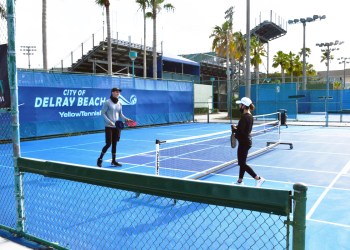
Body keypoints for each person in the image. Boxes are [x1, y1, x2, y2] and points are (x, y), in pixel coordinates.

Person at [232, 97, 265, 187]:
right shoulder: (250, 116)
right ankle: (240, 181)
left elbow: (241, 132)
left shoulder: (244, 117)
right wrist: (236, 129)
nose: (239, 106)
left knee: (242, 163)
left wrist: (234, 131)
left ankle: (258, 178)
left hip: (244, 143)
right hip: (246, 142)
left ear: (243, 106)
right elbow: (244, 130)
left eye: (240, 104)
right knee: (242, 163)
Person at [97, 87, 132, 167]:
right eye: (116, 92)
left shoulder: (120, 103)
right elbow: (103, 113)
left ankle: (113, 161)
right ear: (112, 92)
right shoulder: (107, 102)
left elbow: (120, 114)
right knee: (108, 144)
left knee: (114, 144)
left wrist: (126, 119)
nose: (118, 93)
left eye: (119, 92)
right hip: (109, 126)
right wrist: (109, 122)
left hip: (117, 126)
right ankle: (100, 159)